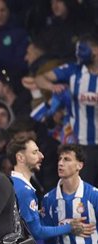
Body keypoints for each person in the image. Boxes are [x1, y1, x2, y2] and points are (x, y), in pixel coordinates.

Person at [35, 34, 98, 186]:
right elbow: (40, 78)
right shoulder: (73, 70)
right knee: (83, 190)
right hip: (81, 144)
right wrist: (53, 87)